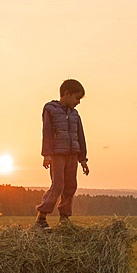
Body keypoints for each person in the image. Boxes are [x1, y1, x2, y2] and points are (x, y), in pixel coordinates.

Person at [33, 79, 89, 230]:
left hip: (73, 155)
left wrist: (83, 159)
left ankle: (64, 219)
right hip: (57, 154)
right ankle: (41, 217)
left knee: (71, 186)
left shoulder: (75, 114)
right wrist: (47, 155)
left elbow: (81, 136)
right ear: (66, 94)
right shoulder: (50, 110)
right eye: (77, 98)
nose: (78, 102)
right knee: (58, 186)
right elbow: (47, 133)